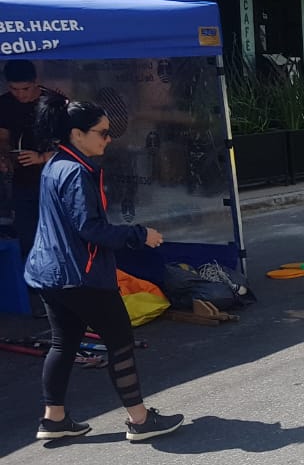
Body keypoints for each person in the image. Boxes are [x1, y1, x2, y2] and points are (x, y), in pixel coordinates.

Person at [24, 94, 184, 442]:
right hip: (82, 275)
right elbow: (90, 228)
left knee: (63, 343)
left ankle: (54, 419)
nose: (109, 139)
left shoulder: (55, 163)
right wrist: (140, 235)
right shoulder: (78, 172)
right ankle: (140, 421)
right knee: (120, 342)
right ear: (77, 135)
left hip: (48, 272)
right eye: (102, 132)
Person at [0, 60, 53, 279]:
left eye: (25, 89)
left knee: (53, 232)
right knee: (26, 232)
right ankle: (32, 283)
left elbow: (74, 147)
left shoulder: (53, 104)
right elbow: (2, 137)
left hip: (53, 181)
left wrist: (41, 157)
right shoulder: (5, 104)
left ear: (35, 82)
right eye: (14, 89)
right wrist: (4, 156)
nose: (20, 95)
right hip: (22, 181)